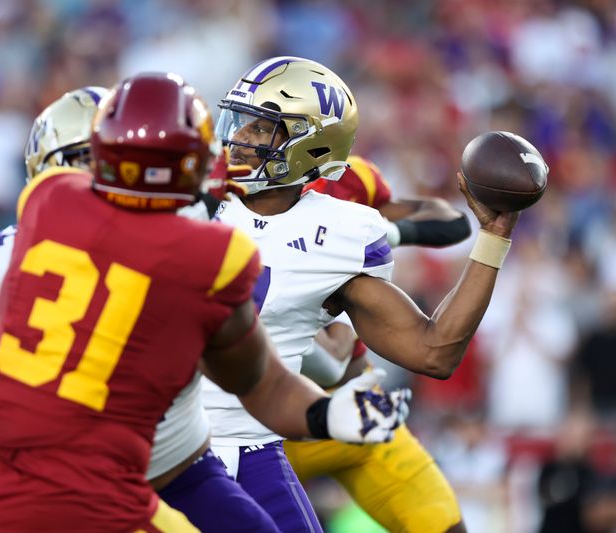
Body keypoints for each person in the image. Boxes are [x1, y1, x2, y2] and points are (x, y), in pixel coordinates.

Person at [0, 72, 409, 533]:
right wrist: (327, 414)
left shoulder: (49, 201)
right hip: (92, 496)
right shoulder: (214, 258)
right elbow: (261, 383)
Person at [206, 56, 520, 533]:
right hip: (179, 434)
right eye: (242, 122)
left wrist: (493, 235)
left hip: (304, 423)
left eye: (262, 129)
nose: (240, 138)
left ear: (311, 148)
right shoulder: (189, 196)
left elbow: (433, 351)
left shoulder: (345, 226)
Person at [282, 156, 471, 533]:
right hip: (272, 424)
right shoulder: (232, 197)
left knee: (442, 526)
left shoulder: (351, 179)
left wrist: (388, 233)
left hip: (356, 403)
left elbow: (453, 222)